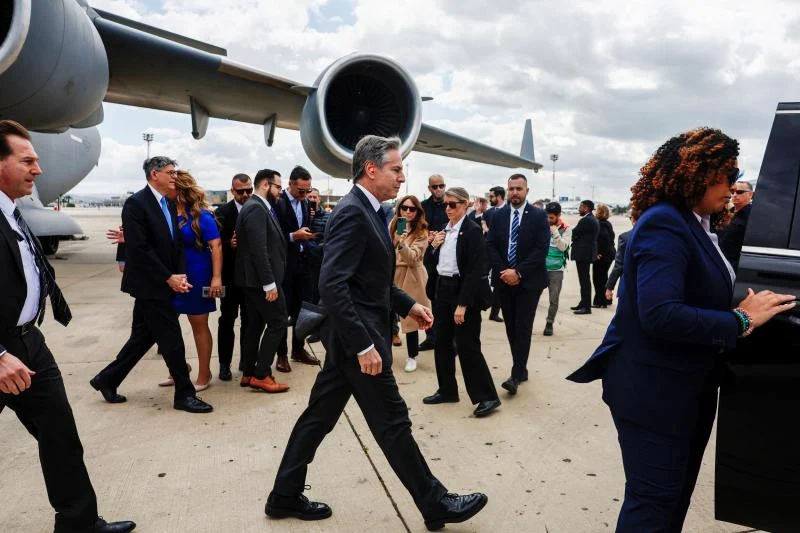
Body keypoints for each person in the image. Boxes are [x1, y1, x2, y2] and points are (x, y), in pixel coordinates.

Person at [567, 127, 795, 532]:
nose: (732, 185)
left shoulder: (696, 223)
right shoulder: (664, 224)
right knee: (652, 503)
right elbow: (661, 313)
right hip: (654, 389)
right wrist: (741, 319)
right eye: (727, 175)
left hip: (686, 386)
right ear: (698, 175)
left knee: (671, 500)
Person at [268, 136, 488, 531]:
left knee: (318, 417)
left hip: (351, 337)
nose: (403, 176)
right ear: (372, 169)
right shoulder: (354, 213)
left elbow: (369, 281)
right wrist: (364, 345)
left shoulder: (371, 210)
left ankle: (284, 494)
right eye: (397, 168)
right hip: (359, 341)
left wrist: (409, 304)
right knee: (393, 422)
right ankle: (435, 502)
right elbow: (333, 284)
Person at [0, 120, 136, 533]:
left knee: (60, 435)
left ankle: (79, 524)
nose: (38, 170)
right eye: (28, 161)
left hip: (28, 344)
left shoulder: (12, 212)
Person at [90, 156, 213, 414]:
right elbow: (140, 248)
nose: (174, 176)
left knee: (142, 337)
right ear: (154, 174)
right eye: (170, 172)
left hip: (167, 282)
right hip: (150, 285)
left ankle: (107, 379)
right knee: (172, 340)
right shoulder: (136, 204)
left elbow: (175, 243)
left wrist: (179, 275)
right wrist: (168, 277)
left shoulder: (167, 203)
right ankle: (184, 395)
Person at [424, 187, 501, 417]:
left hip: (462, 292)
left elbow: (474, 271)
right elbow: (431, 263)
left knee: (467, 346)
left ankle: (488, 396)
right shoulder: (445, 231)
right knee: (442, 343)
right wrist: (433, 247)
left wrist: (463, 304)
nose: (448, 208)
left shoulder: (472, 231)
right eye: (446, 204)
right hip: (442, 290)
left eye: (453, 204)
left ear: (465, 205)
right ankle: (447, 390)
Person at [486, 174, 550, 395]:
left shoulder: (539, 216)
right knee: (511, 327)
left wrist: (519, 272)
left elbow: (541, 249)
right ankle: (521, 368)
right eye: (511, 188)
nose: (514, 192)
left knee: (523, 327)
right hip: (504, 280)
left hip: (529, 282)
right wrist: (505, 271)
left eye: (519, 189)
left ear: (527, 191)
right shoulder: (499, 215)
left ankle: (515, 374)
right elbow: (491, 244)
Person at [235, 169, 290, 393]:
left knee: (255, 325)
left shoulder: (257, 207)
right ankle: (261, 374)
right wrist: (270, 284)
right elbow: (259, 250)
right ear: (266, 185)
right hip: (261, 282)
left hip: (252, 281)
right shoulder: (257, 208)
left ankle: (248, 372)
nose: (280, 191)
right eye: (278, 186)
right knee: (278, 323)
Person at [274, 166, 319, 371]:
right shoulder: (278, 203)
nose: (305, 194)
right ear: (290, 184)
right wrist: (294, 236)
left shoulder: (308, 203)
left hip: (304, 263)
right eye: (301, 190)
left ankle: (298, 349)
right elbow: (272, 237)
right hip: (285, 265)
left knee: (304, 311)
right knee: (283, 313)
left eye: (307, 190)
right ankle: (281, 354)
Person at [214, 173, 253, 381]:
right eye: (240, 191)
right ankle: (224, 364)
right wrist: (231, 244)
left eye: (249, 190)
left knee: (249, 321)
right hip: (230, 277)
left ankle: (246, 361)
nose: (245, 195)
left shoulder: (257, 208)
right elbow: (214, 244)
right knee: (227, 321)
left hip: (250, 279)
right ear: (232, 191)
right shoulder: (222, 212)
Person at [389, 195, 430, 372]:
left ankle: (412, 356)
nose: (407, 212)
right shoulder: (393, 225)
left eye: (412, 209)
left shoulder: (422, 232)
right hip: (392, 273)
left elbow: (413, 258)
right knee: (386, 313)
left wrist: (401, 243)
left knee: (411, 317)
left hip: (412, 275)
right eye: (404, 208)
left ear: (417, 211)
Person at [419, 174, 449, 351]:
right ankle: (431, 337)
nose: (438, 189)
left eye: (441, 186)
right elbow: (416, 227)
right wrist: (426, 237)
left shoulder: (451, 204)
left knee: (446, 298)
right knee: (428, 297)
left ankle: (447, 338)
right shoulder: (423, 207)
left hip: (448, 258)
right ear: (429, 188)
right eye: (435, 186)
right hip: (429, 258)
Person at [543, 202, 572, 336]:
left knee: (553, 299)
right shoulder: (541, 225)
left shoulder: (566, 229)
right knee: (530, 298)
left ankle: (549, 323)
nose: (548, 220)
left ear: (558, 216)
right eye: (547, 217)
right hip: (540, 268)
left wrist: (554, 231)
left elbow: (563, 247)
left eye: (552, 218)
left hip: (556, 269)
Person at [570, 200, 599, 315]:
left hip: (583, 254)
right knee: (584, 280)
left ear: (586, 208)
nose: (579, 209)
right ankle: (583, 303)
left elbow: (574, 232)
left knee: (584, 280)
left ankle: (586, 307)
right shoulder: (592, 219)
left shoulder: (586, 220)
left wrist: (574, 237)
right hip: (586, 253)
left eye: (581, 207)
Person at [605, 208, 640, 303]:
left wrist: (609, 287)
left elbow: (619, 265)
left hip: (629, 284)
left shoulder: (625, 237)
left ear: (632, 219)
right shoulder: (655, 236)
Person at [718, 180, 753, 270]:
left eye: (740, 192)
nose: (735, 195)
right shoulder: (728, 212)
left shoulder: (751, 215)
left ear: (750, 194)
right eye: (733, 192)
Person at [485, 186, 506, 322]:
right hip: (487, 251)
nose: (490, 199)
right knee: (480, 276)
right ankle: (486, 301)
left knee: (499, 284)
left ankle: (494, 312)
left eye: (491, 196)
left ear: (499, 197)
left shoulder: (509, 211)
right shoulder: (488, 213)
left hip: (502, 254)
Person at [306, 187, 329, 306]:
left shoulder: (327, 216)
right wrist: (309, 218)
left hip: (319, 260)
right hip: (304, 261)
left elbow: (327, 236)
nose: (312, 199)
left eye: (314, 197)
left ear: (319, 199)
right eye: (309, 197)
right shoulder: (302, 215)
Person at [592, 204, 615, 308]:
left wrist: (598, 253)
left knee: (598, 278)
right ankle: (606, 299)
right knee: (603, 277)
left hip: (603, 256)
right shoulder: (608, 223)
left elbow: (604, 239)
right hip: (609, 254)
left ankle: (600, 301)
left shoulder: (601, 225)